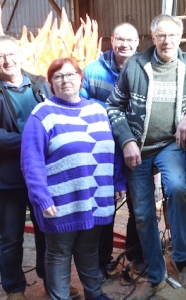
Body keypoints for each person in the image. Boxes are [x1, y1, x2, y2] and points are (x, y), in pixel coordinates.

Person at [106, 14, 186, 298]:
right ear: (152, 38)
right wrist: (126, 141)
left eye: (172, 36)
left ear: (181, 37)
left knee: (176, 189)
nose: (167, 41)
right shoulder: (135, 65)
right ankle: (156, 273)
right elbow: (113, 107)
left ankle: (181, 258)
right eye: (161, 36)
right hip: (138, 147)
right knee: (142, 213)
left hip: (170, 145)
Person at [0, 36, 74, 300]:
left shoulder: (41, 84)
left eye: (11, 54)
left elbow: (59, 113)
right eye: (0, 57)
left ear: (20, 54)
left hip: (41, 175)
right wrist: (31, 142)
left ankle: (52, 282)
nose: (8, 60)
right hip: (7, 178)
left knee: (47, 232)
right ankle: (14, 289)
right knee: (11, 237)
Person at [20, 57, 126, 300]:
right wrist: (41, 198)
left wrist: (118, 182)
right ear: (50, 83)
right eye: (58, 76)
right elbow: (31, 160)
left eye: (70, 75)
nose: (65, 80)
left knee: (89, 249)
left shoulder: (98, 110)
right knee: (59, 253)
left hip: (95, 196)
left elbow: (113, 150)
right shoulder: (42, 114)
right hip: (61, 201)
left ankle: (94, 293)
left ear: (81, 79)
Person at [80, 22, 149, 281]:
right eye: (120, 39)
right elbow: (81, 104)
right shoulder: (92, 71)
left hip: (135, 148)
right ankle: (101, 261)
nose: (125, 45)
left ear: (137, 42)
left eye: (130, 40)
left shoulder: (143, 69)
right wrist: (112, 110)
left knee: (138, 206)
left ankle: (136, 257)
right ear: (112, 40)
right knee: (104, 209)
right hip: (102, 152)